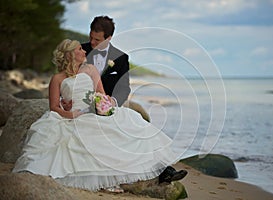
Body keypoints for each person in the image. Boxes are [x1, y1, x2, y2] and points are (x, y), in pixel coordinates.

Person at [12, 39, 187, 192]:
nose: (84, 51)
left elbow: (101, 94)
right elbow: (53, 107)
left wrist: (105, 104)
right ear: (70, 55)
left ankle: (164, 170)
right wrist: (69, 113)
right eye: (79, 50)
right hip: (73, 115)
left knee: (132, 124)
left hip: (94, 111)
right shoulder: (57, 78)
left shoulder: (91, 70)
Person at [82, 15, 130, 106]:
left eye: (97, 40)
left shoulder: (121, 58)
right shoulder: (80, 50)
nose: (92, 42)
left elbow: (124, 88)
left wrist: (112, 102)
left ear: (109, 38)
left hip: (106, 107)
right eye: (91, 37)